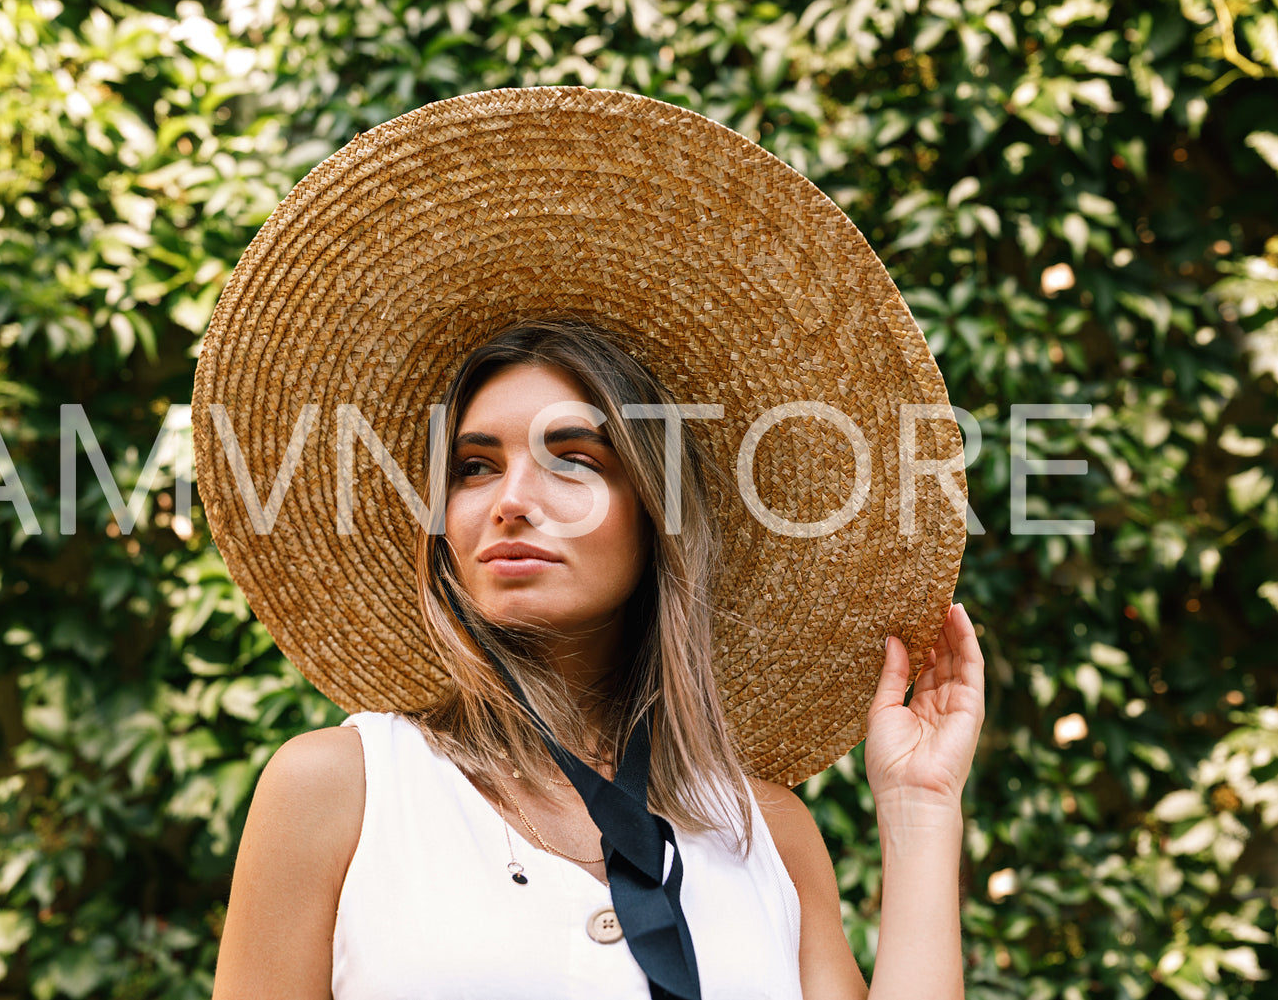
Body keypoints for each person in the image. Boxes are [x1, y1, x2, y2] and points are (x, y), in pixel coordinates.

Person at [192, 87, 984, 1000]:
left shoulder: (766, 831)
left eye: (573, 459)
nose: (511, 501)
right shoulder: (341, 791)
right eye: (473, 467)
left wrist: (920, 812)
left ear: (655, 511)